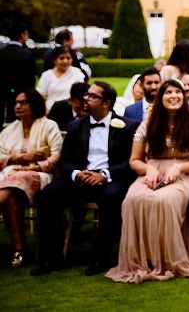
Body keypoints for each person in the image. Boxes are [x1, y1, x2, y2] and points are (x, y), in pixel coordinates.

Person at [32, 81, 140, 276]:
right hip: (80, 179)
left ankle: (101, 258)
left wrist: (104, 174)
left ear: (106, 103)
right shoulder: (75, 126)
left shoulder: (127, 126)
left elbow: (130, 161)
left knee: (111, 198)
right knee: (47, 196)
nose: (85, 99)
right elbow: (65, 161)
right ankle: (51, 258)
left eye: (92, 96)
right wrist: (77, 174)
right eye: (86, 95)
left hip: (111, 179)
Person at [107, 79, 189, 283]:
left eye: (177, 92)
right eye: (168, 92)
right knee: (133, 199)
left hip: (186, 173)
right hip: (152, 172)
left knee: (166, 200)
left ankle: (170, 260)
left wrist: (179, 167)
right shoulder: (147, 126)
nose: (174, 96)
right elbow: (134, 160)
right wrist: (148, 168)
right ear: (160, 98)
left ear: (184, 96)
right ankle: (142, 260)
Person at [0, 88, 62, 267]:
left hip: (40, 175)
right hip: (10, 177)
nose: (17, 106)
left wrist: (35, 165)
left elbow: (57, 156)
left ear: (34, 104)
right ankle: (19, 249)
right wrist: (19, 158)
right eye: (16, 103)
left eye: (23, 102)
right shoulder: (9, 130)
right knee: (11, 198)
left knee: (19, 178)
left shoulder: (49, 126)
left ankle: (20, 250)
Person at [1, 25, 36, 124]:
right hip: (21, 95)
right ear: (22, 35)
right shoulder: (28, 54)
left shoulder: (1, 52)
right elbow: (31, 80)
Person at [36, 46, 87, 112]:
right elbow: (39, 96)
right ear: (55, 60)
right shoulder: (46, 75)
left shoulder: (77, 73)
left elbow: (81, 94)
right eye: (61, 58)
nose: (65, 61)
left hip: (70, 112)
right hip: (50, 112)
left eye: (68, 58)